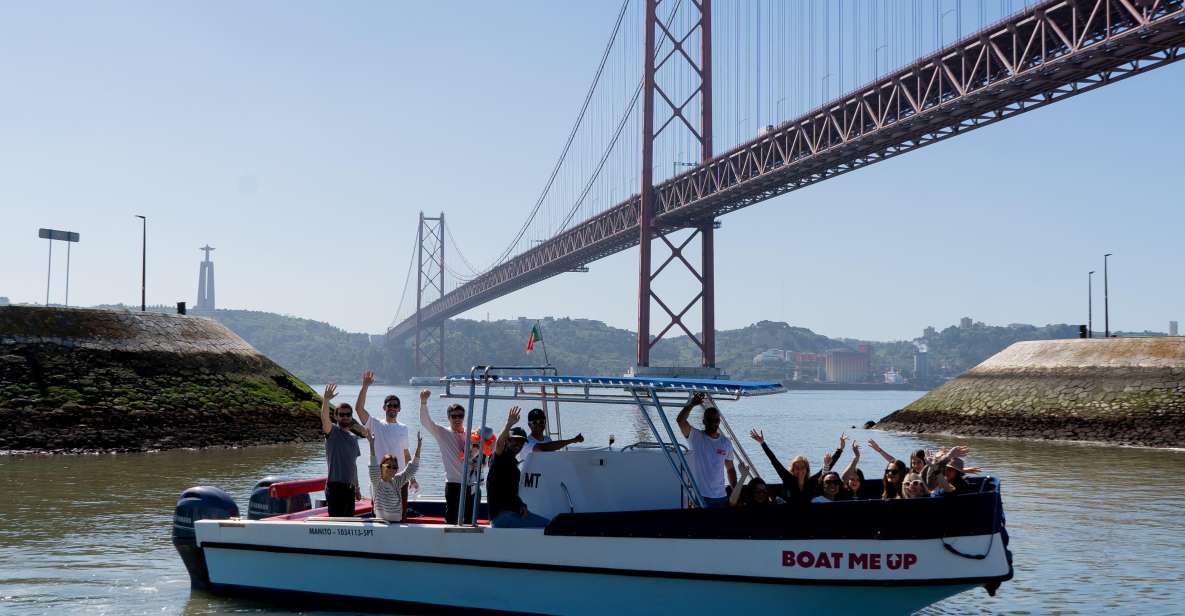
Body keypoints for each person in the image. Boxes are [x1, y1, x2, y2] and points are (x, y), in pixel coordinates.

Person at [355, 371, 412, 519]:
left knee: (402, 514)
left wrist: (411, 476)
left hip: (400, 479)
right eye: (389, 405)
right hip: (380, 480)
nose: (392, 407)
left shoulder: (404, 428)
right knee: (379, 515)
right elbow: (359, 409)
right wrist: (365, 386)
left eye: (395, 405)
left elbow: (406, 454)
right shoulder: (375, 424)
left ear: (399, 409)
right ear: (384, 408)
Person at [418, 388, 478, 524]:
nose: (457, 419)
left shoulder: (473, 435)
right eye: (454, 416)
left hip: (472, 484)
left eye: (460, 416)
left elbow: (488, 451)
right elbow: (425, 422)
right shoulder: (442, 432)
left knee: (471, 521)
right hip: (453, 484)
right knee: (451, 520)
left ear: (464, 417)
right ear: (448, 418)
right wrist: (423, 402)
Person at [487, 407, 549, 529]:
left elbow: (511, 495)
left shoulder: (514, 466)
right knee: (547, 527)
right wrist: (509, 423)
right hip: (501, 517)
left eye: (521, 442)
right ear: (507, 441)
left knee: (549, 523)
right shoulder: (499, 459)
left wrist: (521, 505)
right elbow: (499, 444)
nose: (518, 445)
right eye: (514, 441)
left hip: (513, 513)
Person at [749, 429, 845, 505]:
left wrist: (840, 449)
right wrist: (763, 443)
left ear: (807, 469)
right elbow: (774, 461)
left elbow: (829, 465)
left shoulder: (812, 482)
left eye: (802, 467)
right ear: (793, 470)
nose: (800, 470)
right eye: (797, 467)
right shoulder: (787, 479)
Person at [676, 393, 737, 508]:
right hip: (700, 496)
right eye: (710, 419)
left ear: (719, 421)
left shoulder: (726, 442)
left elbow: (730, 469)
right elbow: (680, 421)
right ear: (704, 421)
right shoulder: (695, 436)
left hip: (721, 497)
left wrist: (735, 490)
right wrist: (692, 404)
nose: (713, 422)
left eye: (716, 419)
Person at [319, 383, 360, 517]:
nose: (345, 417)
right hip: (335, 487)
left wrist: (357, 487)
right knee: (337, 524)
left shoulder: (354, 438)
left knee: (349, 523)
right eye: (341, 414)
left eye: (348, 414)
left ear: (351, 417)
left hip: (350, 488)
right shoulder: (333, 433)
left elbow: (353, 465)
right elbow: (324, 419)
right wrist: (326, 400)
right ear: (336, 416)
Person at [367, 429, 422, 522]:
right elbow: (373, 466)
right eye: (388, 466)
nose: (392, 469)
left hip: (397, 524)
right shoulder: (376, 482)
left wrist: (419, 447)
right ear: (381, 467)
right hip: (381, 525)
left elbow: (411, 469)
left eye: (395, 467)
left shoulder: (396, 481)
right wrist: (371, 445)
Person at [519, 408, 585, 464]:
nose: (538, 424)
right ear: (529, 425)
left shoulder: (547, 439)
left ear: (545, 423)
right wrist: (572, 440)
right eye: (534, 422)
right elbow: (543, 448)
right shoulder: (526, 442)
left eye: (541, 421)